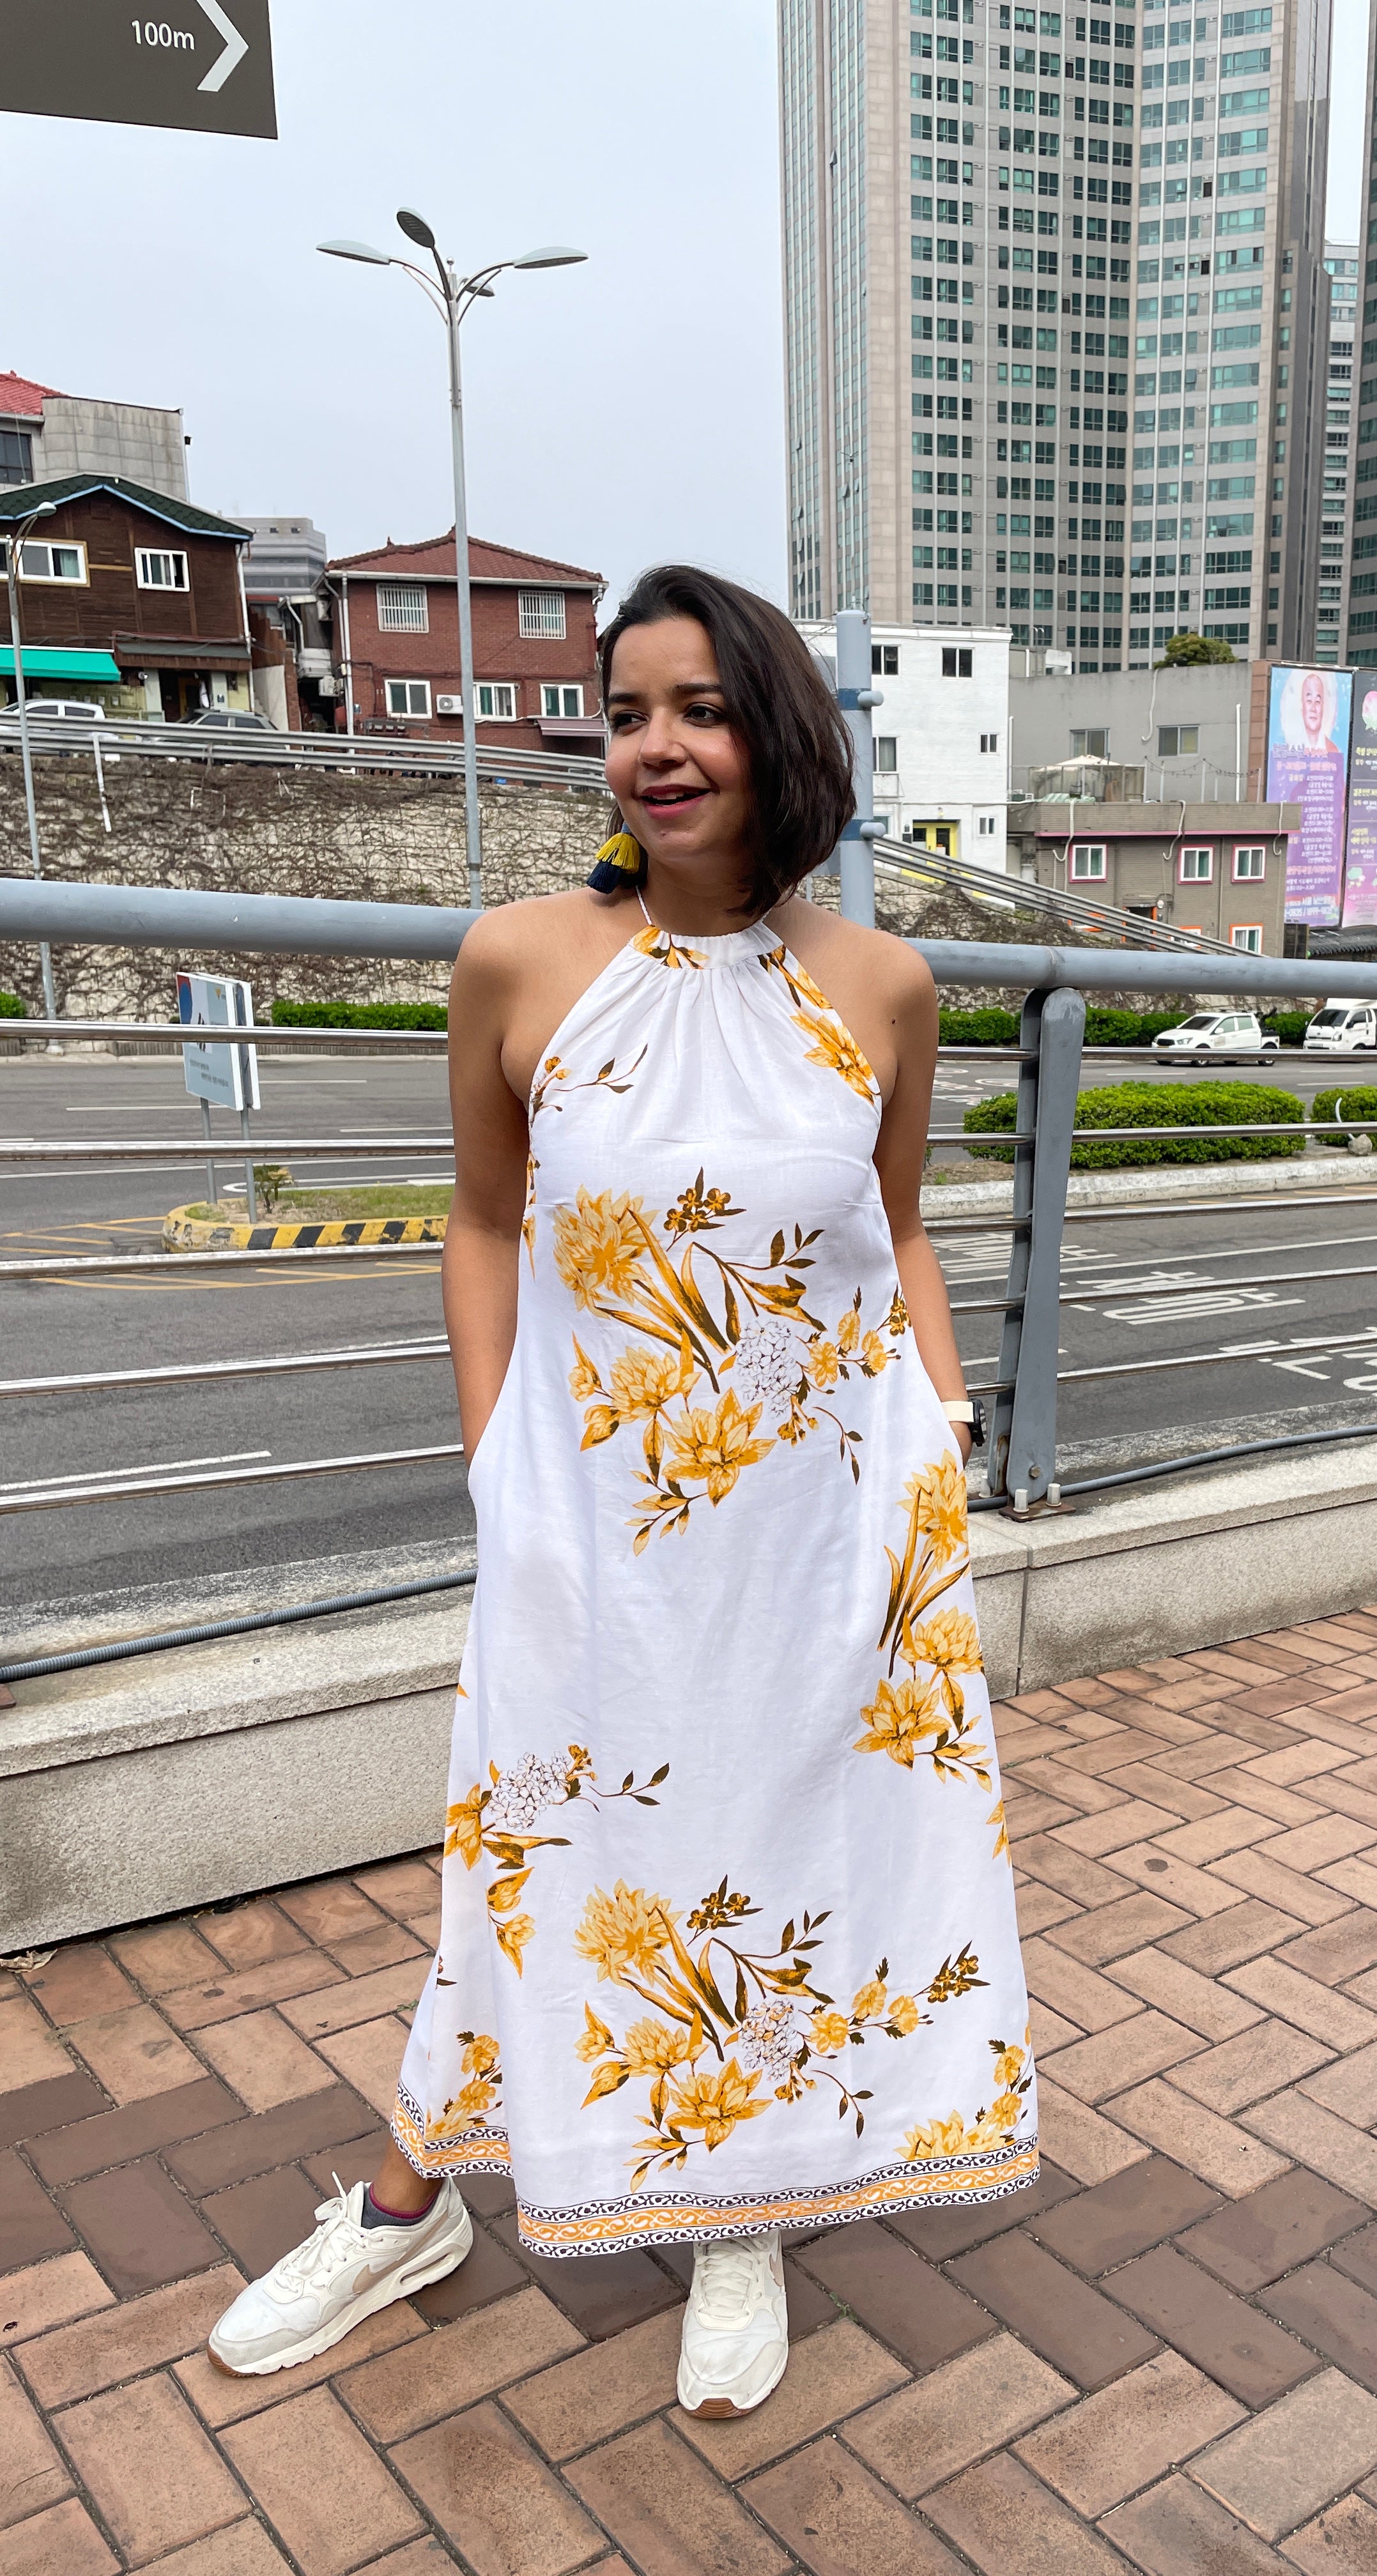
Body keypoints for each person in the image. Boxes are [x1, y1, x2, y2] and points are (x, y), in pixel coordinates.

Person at [204, 567, 1036, 2419]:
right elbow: (485, 1222)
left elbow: (893, 1228)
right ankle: (406, 2201)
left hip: (830, 1530)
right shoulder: (521, 960)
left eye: (704, 710)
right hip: (596, 1518)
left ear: (781, 735)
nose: (659, 749)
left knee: (764, 1856)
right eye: (632, 710)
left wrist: (947, 1422)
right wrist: (501, 1457)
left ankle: (731, 2224)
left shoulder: (881, 985)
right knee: (527, 1855)